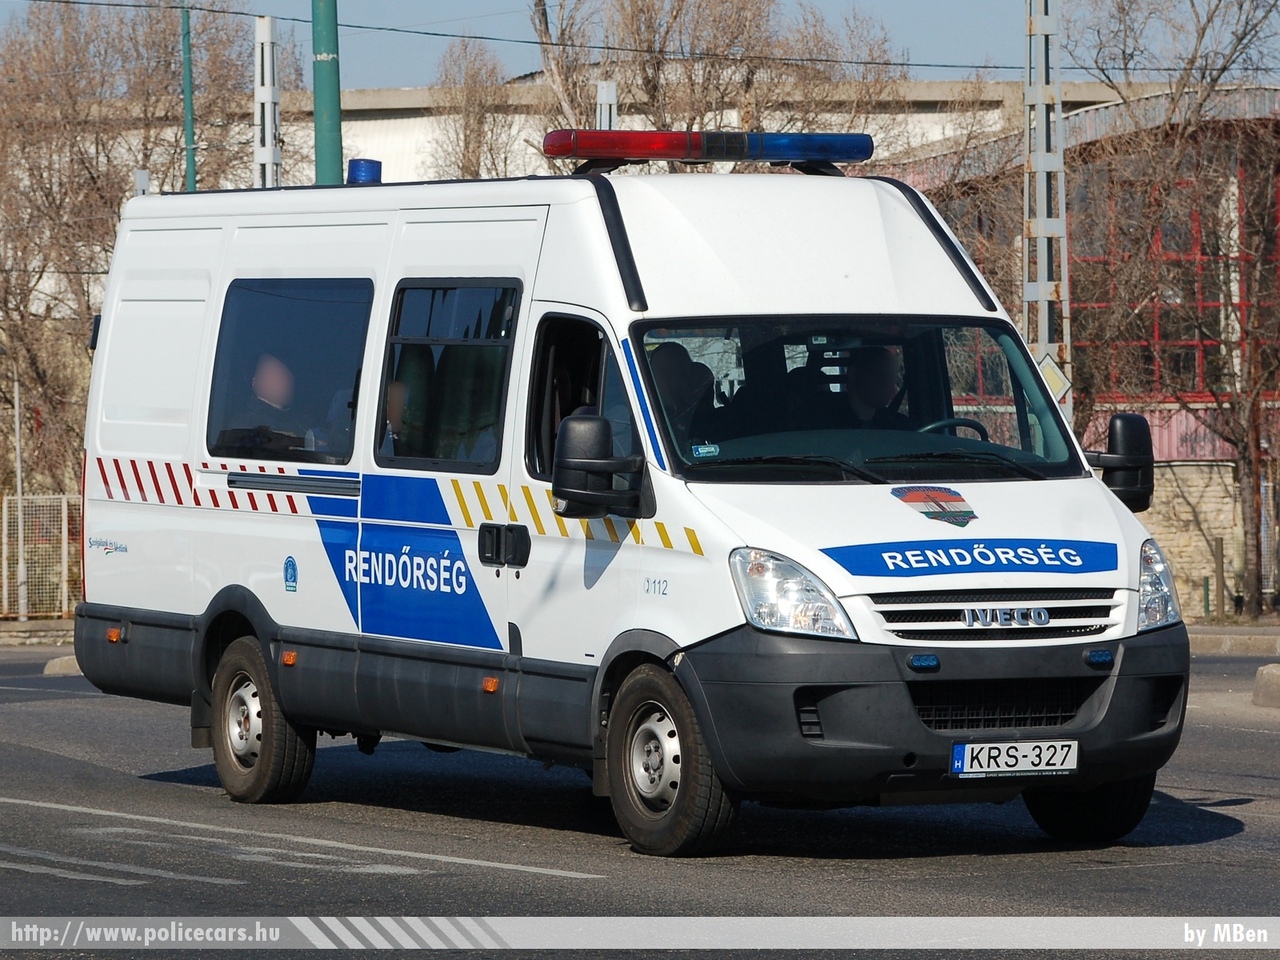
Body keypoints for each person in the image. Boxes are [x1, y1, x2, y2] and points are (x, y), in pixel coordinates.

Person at [844, 346, 911, 429]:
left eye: (891, 377)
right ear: (853, 374)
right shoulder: (826, 424)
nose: (887, 383)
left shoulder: (900, 427)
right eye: (880, 375)